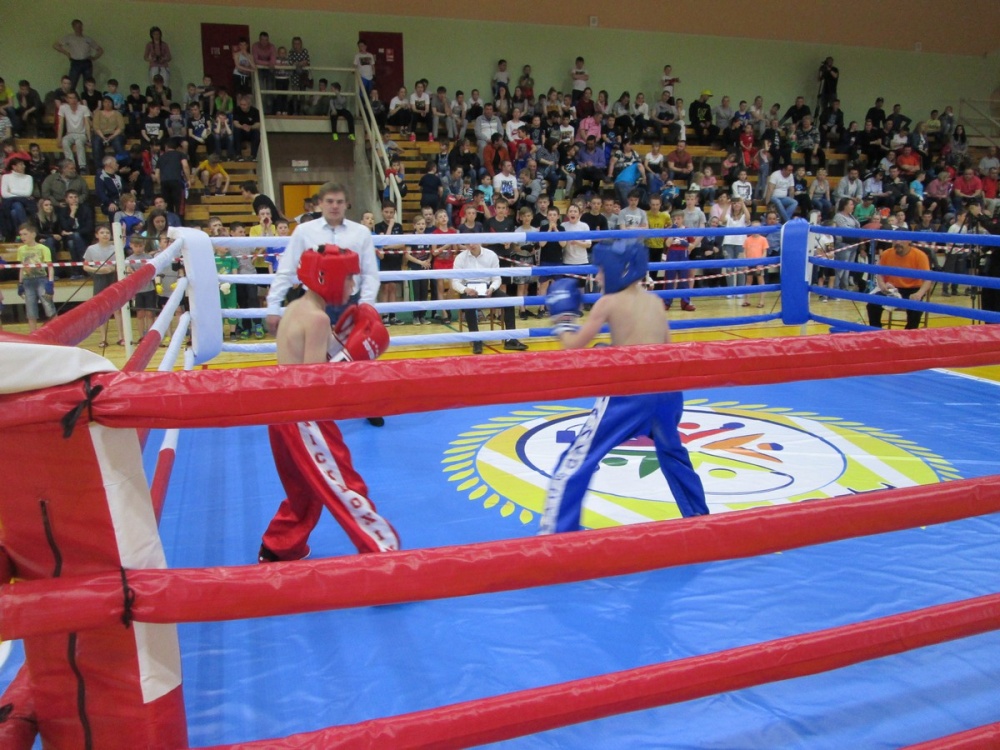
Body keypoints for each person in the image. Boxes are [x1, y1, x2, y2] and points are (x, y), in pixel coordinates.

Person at [539, 241, 709, 534]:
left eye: (601, 270)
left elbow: (573, 347)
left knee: (577, 460)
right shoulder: (655, 301)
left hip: (630, 394)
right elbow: (667, 348)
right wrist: (615, 349)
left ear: (618, 269)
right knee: (674, 455)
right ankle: (700, 522)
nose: (598, 277)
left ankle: (558, 535)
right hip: (668, 392)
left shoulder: (608, 302)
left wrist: (563, 321)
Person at [258, 245, 399, 563]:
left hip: (279, 410)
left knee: (303, 490)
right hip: (305, 417)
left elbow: (302, 362)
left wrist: (341, 345)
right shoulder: (318, 319)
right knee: (345, 485)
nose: (352, 285)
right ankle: (383, 554)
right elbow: (316, 383)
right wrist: (351, 358)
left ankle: (280, 546)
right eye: (348, 278)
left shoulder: (296, 307)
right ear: (329, 277)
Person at [266, 182, 378, 335]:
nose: (334, 206)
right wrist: (273, 307)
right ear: (320, 203)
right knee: (313, 349)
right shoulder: (304, 231)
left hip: (351, 302)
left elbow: (370, 274)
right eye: (329, 201)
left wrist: (366, 306)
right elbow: (286, 269)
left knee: (351, 350)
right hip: (314, 302)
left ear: (347, 204)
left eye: (339, 202)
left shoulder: (361, 232)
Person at [867, 240, 932, 330]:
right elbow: (880, 273)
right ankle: (876, 331)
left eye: (901, 240)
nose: (897, 242)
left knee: (916, 308)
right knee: (872, 304)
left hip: (913, 289)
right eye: (895, 240)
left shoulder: (920, 255)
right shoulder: (886, 254)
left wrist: (919, 293)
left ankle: (909, 333)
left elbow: (928, 279)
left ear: (909, 241)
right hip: (892, 289)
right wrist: (882, 285)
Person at [83, 223, 125, 347]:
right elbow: (85, 266)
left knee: (117, 309)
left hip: (113, 277)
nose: (105, 235)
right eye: (102, 232)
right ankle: (103, 338)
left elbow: (121, 264)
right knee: (102, 310)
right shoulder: (91, 249)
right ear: (97, 235)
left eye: (107, 232)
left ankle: (121, 337)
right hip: (99, 279)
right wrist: (99, 270)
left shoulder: (115, 248)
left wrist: (113, 268)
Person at [16, 223, 58, 333]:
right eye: (21, 235)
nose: (22, 237)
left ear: (33, 234)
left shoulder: (43, 248)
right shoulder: (21, 249)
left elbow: (50, 267)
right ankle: (33, 334)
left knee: (49, 307)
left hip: (41, 279)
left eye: (25, 234)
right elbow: (21, 267)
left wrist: (50, 283)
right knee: (30, 310)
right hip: (27, 281)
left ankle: (57, 332)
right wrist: (20, 283)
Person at [53, 19, 103, 91]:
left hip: (87, 63)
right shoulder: (69, 37)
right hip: (75, 63)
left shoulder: (87, 39)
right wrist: (66, 53)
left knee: (88, 86)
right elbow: (56, 45)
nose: (79, 28)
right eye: (77, 27)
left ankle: (86, 98)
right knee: (71, 85)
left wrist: (94, 58)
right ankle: (70, 97)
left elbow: (100, 50)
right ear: (73, 27)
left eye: (80, 26)